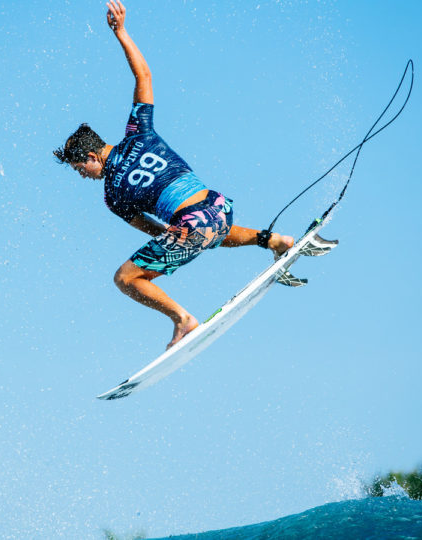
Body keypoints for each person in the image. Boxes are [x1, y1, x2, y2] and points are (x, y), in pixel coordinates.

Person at [54, 0, 294, 349]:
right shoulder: (140, 132)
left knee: (125, 278)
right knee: (202, 229)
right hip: (220, 206)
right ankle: (274, 240)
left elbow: (159, 230)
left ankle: (183, 320)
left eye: (80, 169)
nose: (82, 176)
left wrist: (172, 235)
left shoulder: (112, 195)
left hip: (193, 224)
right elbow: (144, 76)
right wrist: (121, 32)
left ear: (91, 156)